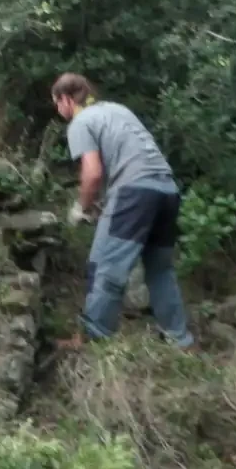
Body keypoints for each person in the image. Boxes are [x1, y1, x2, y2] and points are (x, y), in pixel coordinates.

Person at [51, 74, 195, 351]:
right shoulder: (118, 110)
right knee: (159, 270)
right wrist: (102, 204)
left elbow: (92, 175)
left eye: (57, 103)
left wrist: (80, 208)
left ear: (67, 99)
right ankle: (181, 341)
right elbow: (129, 157)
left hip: (134, 193)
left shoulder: (80, 122)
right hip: (166, 189)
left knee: (104, 266)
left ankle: (93, 341)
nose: (58, 110)